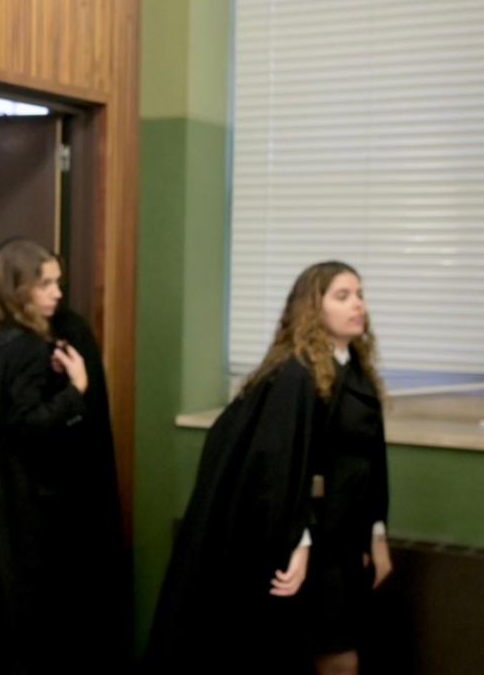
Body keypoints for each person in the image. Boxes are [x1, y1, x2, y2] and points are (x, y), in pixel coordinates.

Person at [143, 261, 391, 675]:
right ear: (313, 308)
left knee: (339, 650)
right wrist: (298, 541)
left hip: (344, 539)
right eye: (343, 296)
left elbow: (370, 460)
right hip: (309, 540)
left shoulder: (357, 373)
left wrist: (377, 534)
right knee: (317, 653)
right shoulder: (296, 374)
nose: (358, 305)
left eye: (360, 295)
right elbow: (278, 470)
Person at [0, 238, 130, 673]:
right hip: (21, 498)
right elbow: (29, 426)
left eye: (58, 283)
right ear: (19, 289)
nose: (57, 294)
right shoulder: (29, 347)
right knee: (27, 619)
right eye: (46, 284)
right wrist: (76, 391)